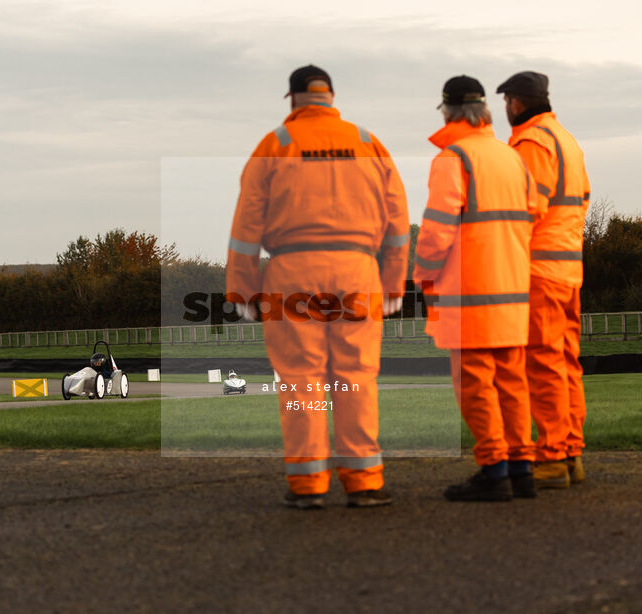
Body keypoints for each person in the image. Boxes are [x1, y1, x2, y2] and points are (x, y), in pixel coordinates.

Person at [226, 65, 409, 509]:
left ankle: (308, 487)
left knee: (300, 379)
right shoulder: (369, 144)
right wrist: (392, 283)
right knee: (357, 376)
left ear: (292, 100)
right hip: (358, 272)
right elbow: (397, 225)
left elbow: (246, 229)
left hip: (292, 272)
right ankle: (364, 481)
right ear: (331, 97)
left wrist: (243, 292)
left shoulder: (275, 145)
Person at [413, 75, 543, 501]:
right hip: (512, 291)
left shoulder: (454, 159)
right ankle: (522, 468)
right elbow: (533, 215)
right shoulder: (511, 158)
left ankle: (493, 470)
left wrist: (423, 274)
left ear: (448, 112)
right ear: (484, 111)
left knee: (475, 385)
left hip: (470, 293)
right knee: (512, 383)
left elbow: (436, 230)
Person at [496, 71, 591, 488]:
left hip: (539, 271)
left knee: (543, 364)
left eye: (507, 103)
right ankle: (569, 452)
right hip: (568, 270)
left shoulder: (532, 143)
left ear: (515, 103)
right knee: (566, 363)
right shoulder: (566, 140)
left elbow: (525, 209)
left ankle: (552, 457)